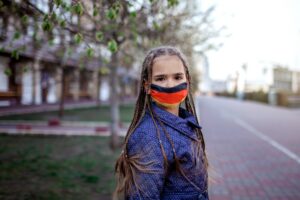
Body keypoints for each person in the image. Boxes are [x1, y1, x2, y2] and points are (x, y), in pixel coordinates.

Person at [114, 46, 209, 200]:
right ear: (147, 86)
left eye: (177, 77)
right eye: (161, 78)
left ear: (188, 81)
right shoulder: (147, 137)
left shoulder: (186, 123)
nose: (170, 85)